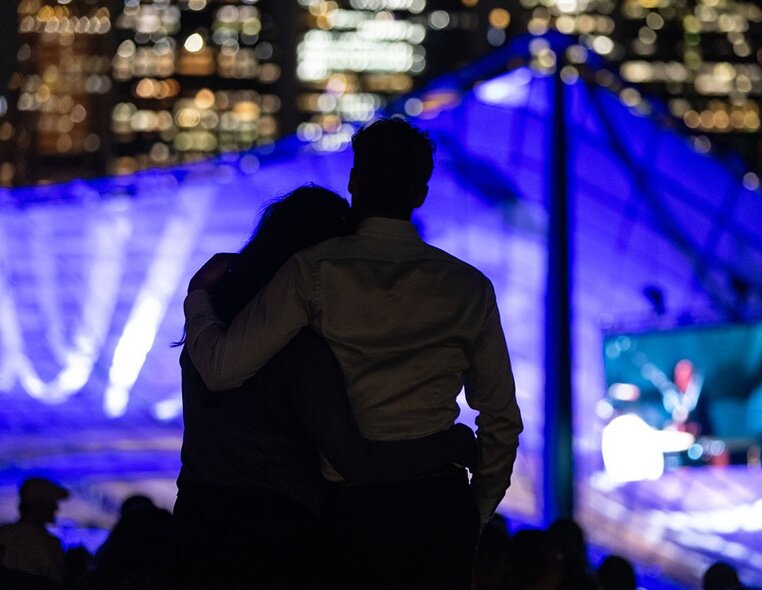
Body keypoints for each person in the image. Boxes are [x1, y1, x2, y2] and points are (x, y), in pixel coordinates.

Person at [183, 118, 523, 588]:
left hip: (352, 509)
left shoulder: (314, 270)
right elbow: (501, 418)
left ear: (354, 182)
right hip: (441, 506)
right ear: (421, 193)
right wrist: (475, 510)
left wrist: (198, 299)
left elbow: (222, 369)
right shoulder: (468, 287)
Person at [0, 477, 68, 585]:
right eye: (51, 502)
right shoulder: (46, 543)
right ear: (38, 505)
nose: (56, 508)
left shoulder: (4, 534)